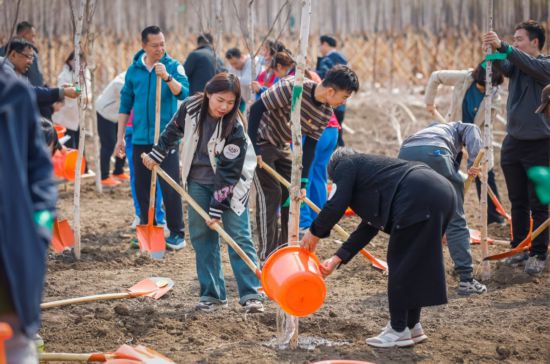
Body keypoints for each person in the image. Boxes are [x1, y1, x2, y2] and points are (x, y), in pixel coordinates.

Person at [300, 148, 455, 348]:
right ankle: (412, 326)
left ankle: (398, 329)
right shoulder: (374, 175)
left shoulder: (346, 164)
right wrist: (337, 258)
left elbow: (335, 204)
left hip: (417, 194)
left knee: (399, 263)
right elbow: (369, 227)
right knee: (413, 264)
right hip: (442, 191)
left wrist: (314, 232)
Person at [142, 73, 264, 313]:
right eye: (220, 100)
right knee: (201, 237)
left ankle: (252, 294)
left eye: (230, 103)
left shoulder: (235, 128)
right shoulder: (190, 107)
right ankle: (212, 295)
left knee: (238, 236)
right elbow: (173, 130)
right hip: (197, 179)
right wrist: (157, 154)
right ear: (208, 93)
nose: (225, 107)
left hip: (231, 185)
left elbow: (228, 173)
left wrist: (217, 208)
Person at [248, 64, 359, 261]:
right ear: (331, 90)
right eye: (344, 97)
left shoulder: (325, 112)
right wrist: (254, 148)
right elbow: (256, 109)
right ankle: (266, 256)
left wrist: (303, 182)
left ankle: (282, 251)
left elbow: (309, 148)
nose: (343, 103)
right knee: (270, 193)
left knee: (289, 194)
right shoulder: (293, 88)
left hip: (282, 144)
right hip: (261, 141)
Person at [482, 20, 550, 274]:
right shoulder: (519, 64)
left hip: (541, 145)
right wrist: (493, 50)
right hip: (513, 143)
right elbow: (508, 66)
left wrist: (505, 46)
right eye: (515, 38)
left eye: (520, 38)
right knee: (517, 200)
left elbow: (525, 63)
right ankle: (519, 248)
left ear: (535, 42)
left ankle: (539, 253)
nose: (516, 42)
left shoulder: (544, 65)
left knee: (539, 203)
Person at [0, 67, 57, 363]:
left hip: (10, 258)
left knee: (17, 349)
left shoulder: (13, 93)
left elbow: (41, 177)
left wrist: (40, 230)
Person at [114, 25, 189, 251]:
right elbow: (124, 105)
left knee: (169, 185)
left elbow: (184, 92)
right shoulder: (134, 71)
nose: (160, 49)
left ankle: (177, 233)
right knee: (142, 186)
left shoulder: (173, 66)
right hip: (140, 138)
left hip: (165, 139)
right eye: (155, 45)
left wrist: (166, 77)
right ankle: (150, 227)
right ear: (144, 45)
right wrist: (119, 138)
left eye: (163, 44)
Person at [398, 122, 487, 295]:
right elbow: (473, 131)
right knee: (456, 219)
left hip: (405, 153)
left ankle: (413, 276)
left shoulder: (428, 130)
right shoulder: (462, 127)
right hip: (434, 153)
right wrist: (473, 163)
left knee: (417, 217)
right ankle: (466, 279)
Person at [425, 61, 505, 225]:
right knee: (445, 170)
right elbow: (436, 77)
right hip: (453, 130)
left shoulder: (495, 97)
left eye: (487, 87)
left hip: (476, 135)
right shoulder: (465, 77)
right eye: (481, 86)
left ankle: (494, 216)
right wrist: (429, 102)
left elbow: (487, 128)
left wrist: (484, 156)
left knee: (485, 174)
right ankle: (436, 212)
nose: (483, 89)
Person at [0, 38, 79, 118]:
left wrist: (60, 92)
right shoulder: (3, 69)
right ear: (13, 55)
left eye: (32, 58)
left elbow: (33, 98)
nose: (30, 62)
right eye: (28, 57)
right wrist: (61, 92)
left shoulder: (16, 73)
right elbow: (29, 93)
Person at [52, 51, 92, 151]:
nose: (79, 64)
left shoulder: (85, 73)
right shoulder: (64, 75)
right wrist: (79, 90)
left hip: (78, 117)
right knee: (69, 145)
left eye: (82, 61)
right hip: (65, 117)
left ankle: (83, 166)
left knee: (80, 145)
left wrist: (87, 96)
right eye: (76, 61)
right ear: (70, 62)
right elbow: (68, 90)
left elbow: (88, 90)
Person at [95, 72, 130, 187]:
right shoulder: (121, 81)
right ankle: (104, 176)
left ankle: (118, 171)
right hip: (105, 113)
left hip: (118, 115)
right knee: (108, 144)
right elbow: (123, 91)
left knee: (122, 141)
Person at [316, 35, 348, 146]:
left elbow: (321, 78)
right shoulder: (342, 59)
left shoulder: (328, 60)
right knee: (338, 129)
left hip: (330, 100)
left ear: (325, 44)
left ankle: (338, 156)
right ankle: (342, 153)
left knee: (331, 131)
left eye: (320, 45)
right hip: (342, 101)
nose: (320, 48)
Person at [0, 21, 44, 86]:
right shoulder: (30, 54)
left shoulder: (2, 49)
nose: (34, 40)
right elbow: (36, 81)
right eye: (32, 36)